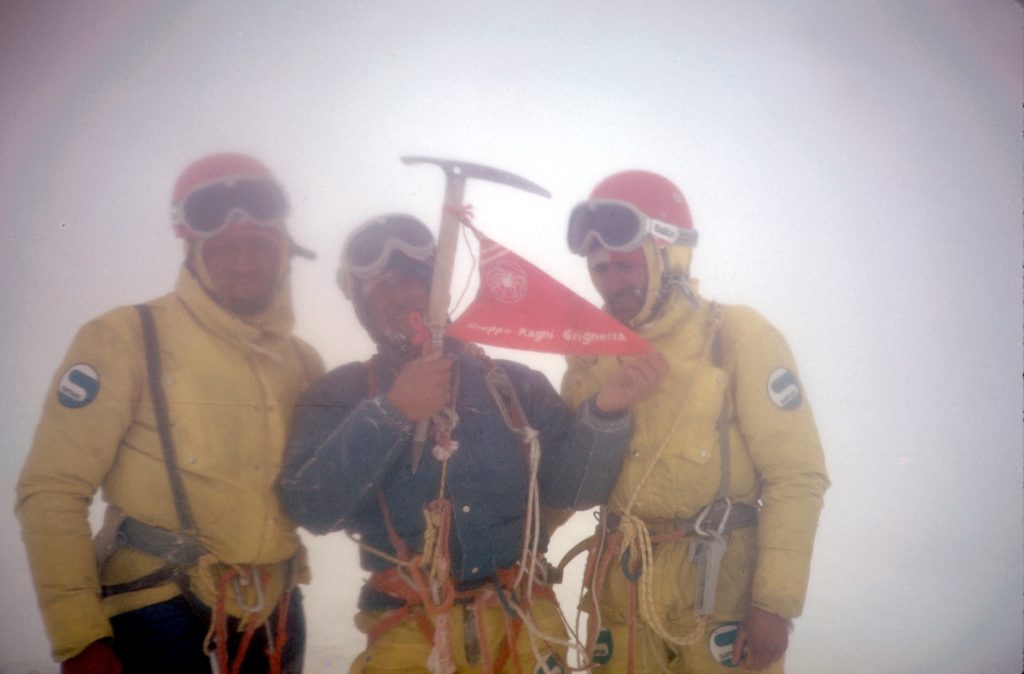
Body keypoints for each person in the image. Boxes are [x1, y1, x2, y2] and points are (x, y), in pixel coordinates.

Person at [276, 214, 667, 674]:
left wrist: (606, 414)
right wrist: (391, 414)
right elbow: (311, 507)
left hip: (523, 619)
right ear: (359, 302)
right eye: (378, 287)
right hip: (406, 625)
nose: (398, 296)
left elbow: (571, 491)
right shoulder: (340, 396)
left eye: (409, 279)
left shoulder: (514, 387)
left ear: (437, 286)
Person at [16, 153, 324, 674]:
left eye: (258, 245)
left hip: (278, 616)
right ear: (194, 250)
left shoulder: (302, 362)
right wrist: (79, 637)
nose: (244, 263)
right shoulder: (127, 338)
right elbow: (53, 488)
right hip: (156, 612)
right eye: (225, 249)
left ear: (285, 250)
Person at [560, 171, 829, 673]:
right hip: (621, 592)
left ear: (669, 256)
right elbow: (566, 480)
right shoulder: (590, 357)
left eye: (624, 264)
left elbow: (796, 474)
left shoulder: (737, 335)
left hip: (719, 595)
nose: (611, 282)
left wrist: (775, 606)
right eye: (600, 269)